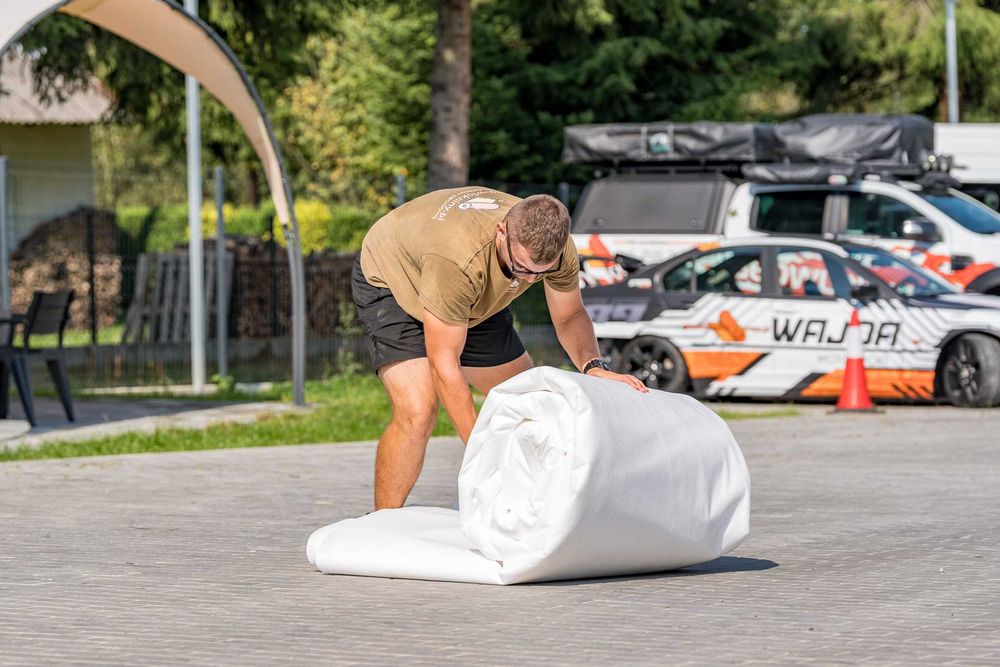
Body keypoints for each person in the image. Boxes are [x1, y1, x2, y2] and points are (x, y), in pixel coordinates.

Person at [352, 186, 647, 509]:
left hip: (473, 299)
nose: (530, 280)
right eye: (520, 268)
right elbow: (445, 365)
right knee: (419, 411)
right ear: (501, 232)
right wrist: (483, 454)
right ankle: (382, 522)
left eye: (541, 273)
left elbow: (570, 316)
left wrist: (594, 368)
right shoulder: (458, 258)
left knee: (531, 404)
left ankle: (546, 507)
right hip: (395, 280)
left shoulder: (558, 250)